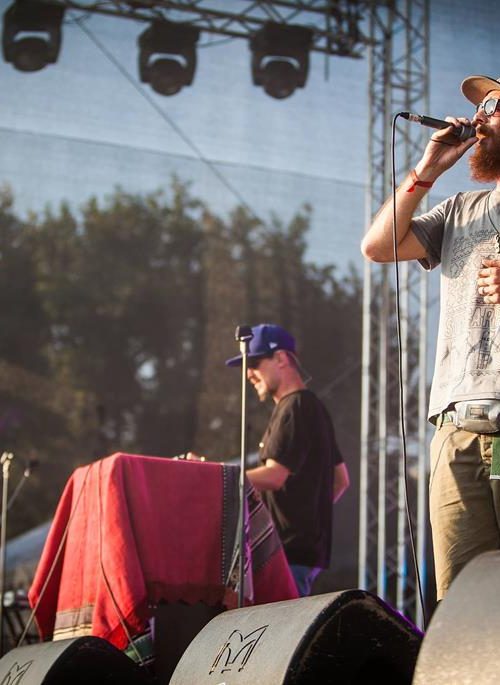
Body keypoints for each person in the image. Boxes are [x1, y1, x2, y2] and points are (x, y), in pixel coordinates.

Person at [361, 73, 500, 601]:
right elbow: (378, 246)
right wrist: (427, 169)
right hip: (457, 427)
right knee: (461, 607)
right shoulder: (462, 208)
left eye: (495, 104)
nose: (481, 115)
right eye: (481, 106)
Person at [224, 323, 350, 597]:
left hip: (286, 552)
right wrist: (307, 516)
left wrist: (216, 476)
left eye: (254, 363)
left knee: (276, 620)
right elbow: (341, 480)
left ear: (280, 358)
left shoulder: (294, 407)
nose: (248, 373)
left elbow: (274, 476)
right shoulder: (310, 406)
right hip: (301, 552)